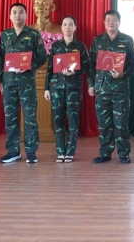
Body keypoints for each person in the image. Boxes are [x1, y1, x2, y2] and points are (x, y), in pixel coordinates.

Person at [0, 3, 48, 164]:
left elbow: (42, 56)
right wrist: (0, 81)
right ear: (10, 16)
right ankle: (13, 151)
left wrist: (29, 66)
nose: (17, 15)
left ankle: (31, 152)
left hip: (27, 83)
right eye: (14, 12)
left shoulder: (34, 34)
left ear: (26, 15)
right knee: (10, 118)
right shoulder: (4, 35)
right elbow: (0, 59)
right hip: (9, 82)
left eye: (21, 12)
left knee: (30, 118)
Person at [88, 10, 134, 164]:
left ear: (119, 22)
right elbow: (90, 66)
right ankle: (105, 152)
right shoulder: (97, 41)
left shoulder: (127, 40)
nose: (111, 22)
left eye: (114, 20)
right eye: (108, 20)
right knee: (104, 124)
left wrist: (122, 74)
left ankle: (124, 153)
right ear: (104, 23)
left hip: (120, 90)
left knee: (121, 123)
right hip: (102, 89)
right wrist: (91, 85)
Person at [44, 16, 90, 163]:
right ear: (62, 28)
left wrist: (74, 72)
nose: (67, 27)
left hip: (73, 87)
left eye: (71, 24)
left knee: (73, 119)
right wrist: (46, 88)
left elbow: (86, 67)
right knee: (58, 119)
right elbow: (50, 69)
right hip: (56, 87)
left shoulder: (81, 46)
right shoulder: (56, 46)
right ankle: (60, 151)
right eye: (65, 24)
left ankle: (70, 152)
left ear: (75, 27)